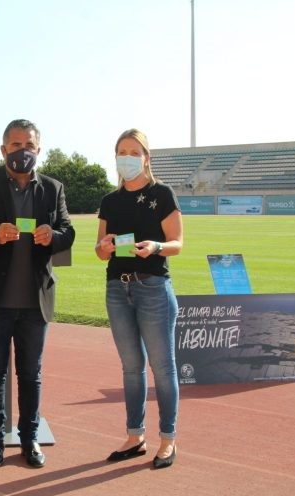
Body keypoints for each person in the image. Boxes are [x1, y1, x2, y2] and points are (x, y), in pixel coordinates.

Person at [0, 119, 75, 469]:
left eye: (29, 145)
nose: (22, 151)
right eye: (15, 144)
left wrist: (52, 236)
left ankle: (29, 439)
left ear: (38, 150)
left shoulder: (53, 188)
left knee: (30, 374)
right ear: (3, 149)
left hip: (35, 300)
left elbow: (68, 232)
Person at [94, 128, 183, 469]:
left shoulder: (162, 194)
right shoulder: (110, 201)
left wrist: (157, 247)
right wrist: (103, 247)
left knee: (162, 368)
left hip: (153, 287)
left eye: (134, 152)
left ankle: (168, 439)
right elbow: (101, 251)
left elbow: (177, 242)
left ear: (146, 157)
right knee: (131, 368)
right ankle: (135, 436)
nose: (126, 158)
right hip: (118, 288)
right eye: (121, 152)